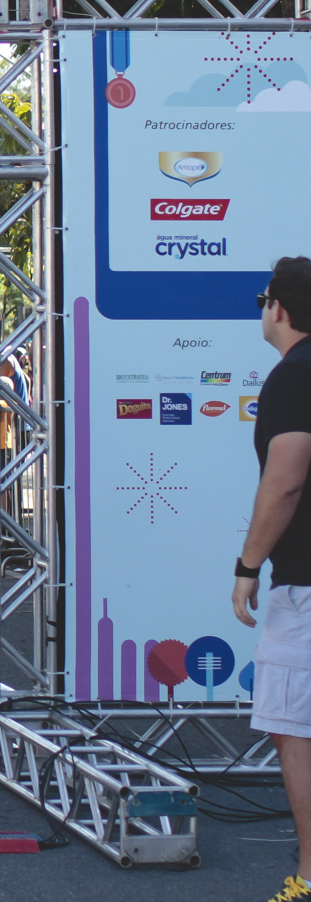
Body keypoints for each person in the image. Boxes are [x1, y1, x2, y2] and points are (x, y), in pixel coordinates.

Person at [233, 259, 311, 902]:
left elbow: (284, 480)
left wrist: (247, 566)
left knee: (296, 728)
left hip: (305, 584)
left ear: (278, 309)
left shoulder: (294, 376)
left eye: (264, 299)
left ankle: (310, 874)